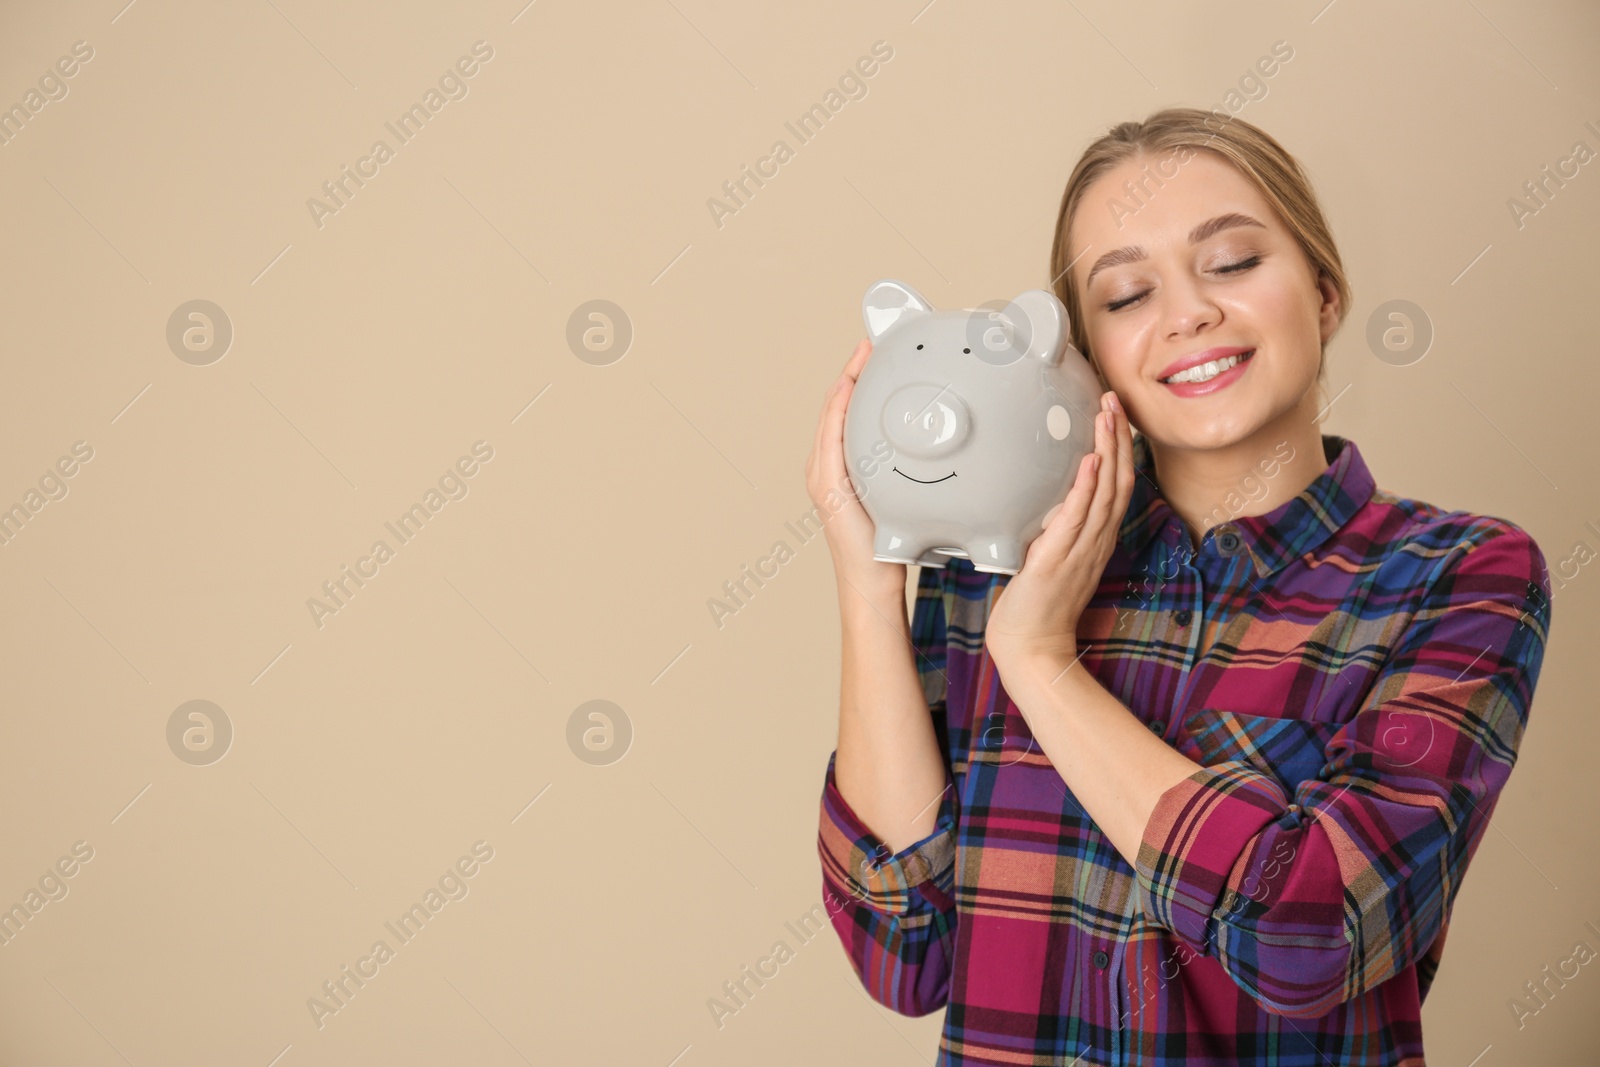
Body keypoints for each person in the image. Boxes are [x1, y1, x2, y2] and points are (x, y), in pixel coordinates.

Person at [807, 107, 1554, 1066]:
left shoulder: (1460, 577)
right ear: (1084, 357)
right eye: (1126, 294)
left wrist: (1041, 663)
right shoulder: (992, 563)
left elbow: (1310, 937)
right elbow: (901, 953)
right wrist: (869, 583)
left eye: (1234, 262)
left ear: (1324, 294)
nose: (1187, 313)